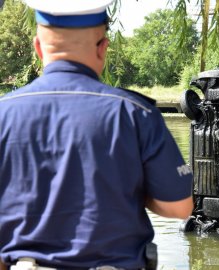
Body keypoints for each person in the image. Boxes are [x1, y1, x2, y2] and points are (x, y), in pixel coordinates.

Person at [0, 0, 194, 269]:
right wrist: (133, 190)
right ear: (103, 48)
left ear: (38, 48)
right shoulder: (136, 113)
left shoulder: (3, 114)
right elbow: (179, 207)